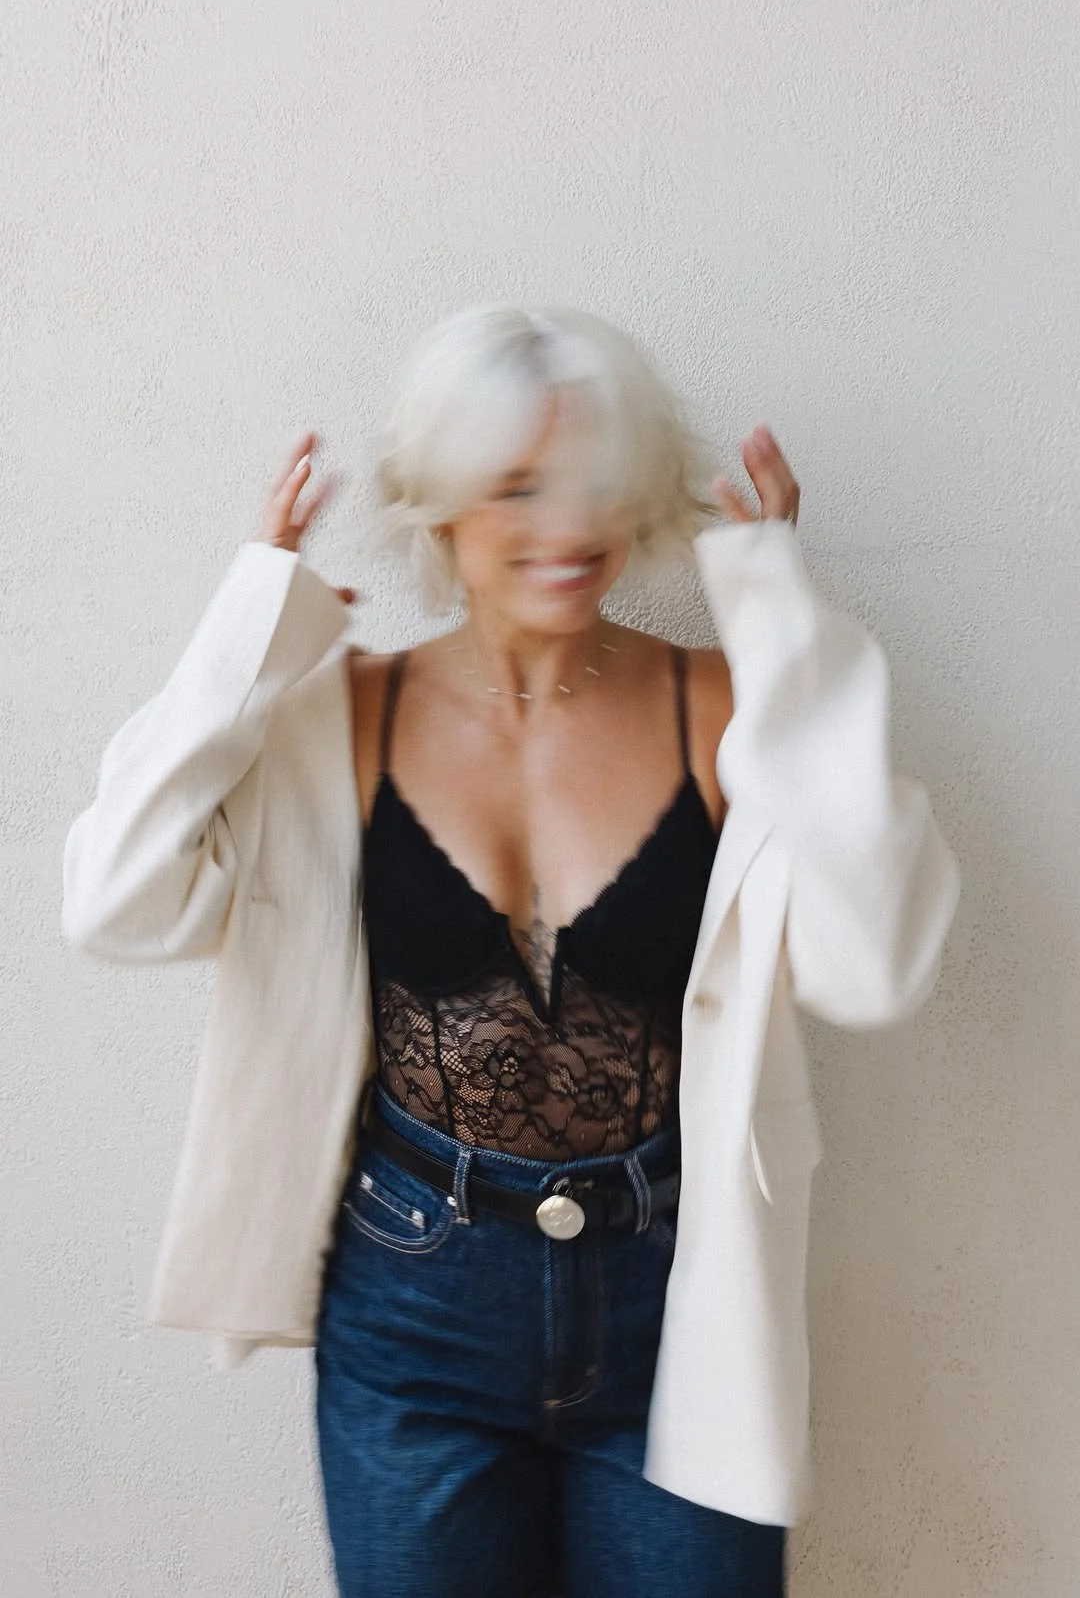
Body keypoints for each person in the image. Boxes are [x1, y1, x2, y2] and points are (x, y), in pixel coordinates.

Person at [62, 304, 961, 1598]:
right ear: (440, 502)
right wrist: (248, 624)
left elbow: (874, 964)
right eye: (519, 484)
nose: (567, 525)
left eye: (596, 482)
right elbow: (115, 898)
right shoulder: (345, 716)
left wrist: (781, 621)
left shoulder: (719, 701)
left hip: (677, 1301)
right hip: (414, 1299)